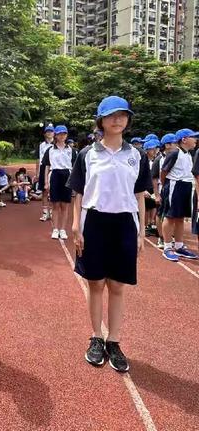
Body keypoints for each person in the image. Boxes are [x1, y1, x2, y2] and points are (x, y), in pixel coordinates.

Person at [68, 95, 150, 373]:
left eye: (123, 115)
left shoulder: (136, 156)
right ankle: (96, 337)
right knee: (96, 283)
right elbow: (77, 193)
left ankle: (114, 340)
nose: (118, 120)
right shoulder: (87, 154)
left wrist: (140, 233)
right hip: (95, 223)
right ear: (101, 120)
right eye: (112, 115)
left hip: (125, 223)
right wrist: (76, 225)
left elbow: (140, 195)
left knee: (117, 286)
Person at [160, 129, 199, 261]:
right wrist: (166, 186)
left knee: (180, 217)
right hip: (174, 185)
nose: (196, 140)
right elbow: (164, 171)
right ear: (184, 139)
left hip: (186, 186)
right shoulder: (174, 153)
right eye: (193, 137)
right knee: (170, 216)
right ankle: (167, 247)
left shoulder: (188, 154)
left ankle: (179, 245)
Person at [43, 125, 77, 240]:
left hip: (67, 175)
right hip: (55, 175)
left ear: (66, 135)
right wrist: (46, 182)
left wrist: (74, 183)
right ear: (55, 135)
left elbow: (74, 167)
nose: (62, 136)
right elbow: (47, 166)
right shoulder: (50, 150)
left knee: (65, 205)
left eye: (64, 134)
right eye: (59, 134)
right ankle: (55, 229)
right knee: (55, 204)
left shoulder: (71, 150)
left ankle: (62, 229)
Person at [151, 133, 177, 248]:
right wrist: (157, 194)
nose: (177, 145)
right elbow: (154, 178)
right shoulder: (159, 159)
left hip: (173, 189)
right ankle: (161, 237)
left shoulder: (177, 156)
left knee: (172, 215)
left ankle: (170, 237)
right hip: (163, 190)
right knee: (160, 213)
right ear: (167, 145)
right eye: (175, 143)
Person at [36, 124, 55, 221]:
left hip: (53, 168)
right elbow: (38, 159)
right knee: (44, 191)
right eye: (48, 131)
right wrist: (37, 172)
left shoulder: (56, 145)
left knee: (52, 192)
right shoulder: (41, 145)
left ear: (54, 133)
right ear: (45, 134)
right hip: (43, 168)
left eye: (51, 131)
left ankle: (51, 212)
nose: (49, 133)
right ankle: (45, 212)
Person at [143, 140, 161, 236]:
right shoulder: (143, 161)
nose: (154, 151)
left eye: (155, 149)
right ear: (147, 150)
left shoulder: (156, 160)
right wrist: (143, 189)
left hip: (152, 187)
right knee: (145, 208)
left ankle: (151, 224)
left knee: (153, 206)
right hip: (144, 187)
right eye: (152, 149)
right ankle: (144, 226)